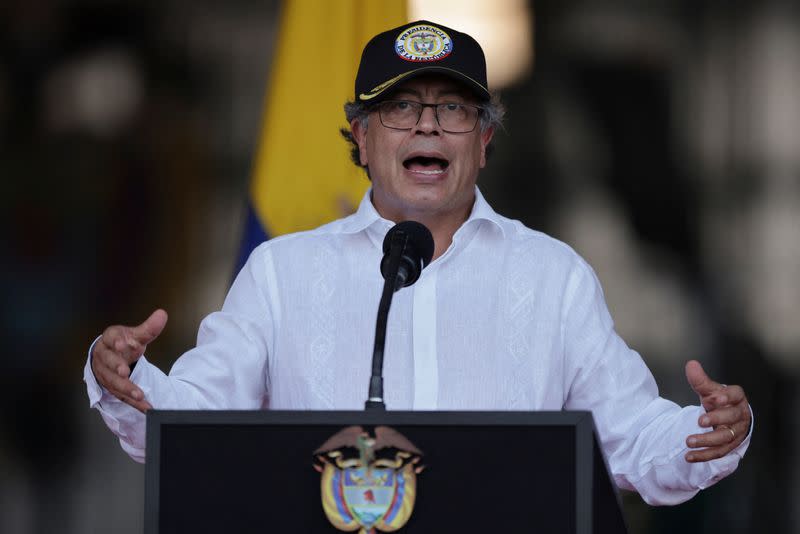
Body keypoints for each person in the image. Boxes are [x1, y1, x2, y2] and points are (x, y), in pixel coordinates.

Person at [85, 20, 752, 505]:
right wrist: (127, 380)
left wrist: (707, 433)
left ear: (485, 140)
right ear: (360, 137)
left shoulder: (553, 277)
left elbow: (633, 435)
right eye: (401, 107)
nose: (427, 126)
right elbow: (195, 425)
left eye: (452, 109)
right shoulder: (281, 274)